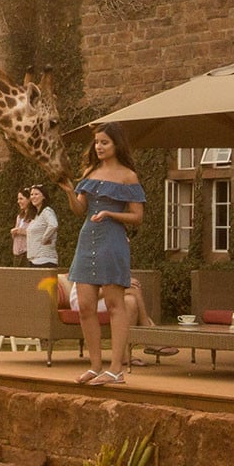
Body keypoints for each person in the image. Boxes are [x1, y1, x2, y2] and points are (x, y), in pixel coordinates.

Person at [59, 122, 145, 387]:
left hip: (112, 241)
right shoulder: (90, 172)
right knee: (85, 306)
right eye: (96, 142)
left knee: (114, 305)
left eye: (104, 142)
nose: (99, 146)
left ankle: (116, 369)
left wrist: (110, 213)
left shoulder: (128, 176)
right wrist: (68, 192)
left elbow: (138, 217)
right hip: (87, 241)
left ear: (116, 144)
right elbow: (79, 210)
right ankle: (96, 367)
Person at [22, 184, 60, 268]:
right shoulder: (36, 216)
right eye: (32, 194)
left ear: (44, 196)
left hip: (45, 260)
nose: (33, 197)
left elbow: (53, 225)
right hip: (34, 260)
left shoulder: (47, 211)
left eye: (36, 194)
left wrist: (44, 238)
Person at [9, 190, 32, 266]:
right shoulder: (19, 216)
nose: (18, 201)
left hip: (27, 253)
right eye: (18, 199)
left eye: (21, 199)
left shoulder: (34, 216)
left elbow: (35, 233)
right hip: (17, 254)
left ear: (29, 199)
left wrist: (20, 231)